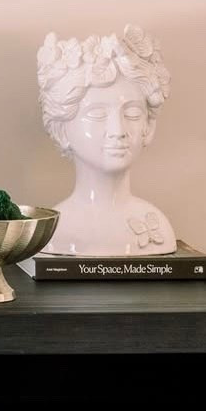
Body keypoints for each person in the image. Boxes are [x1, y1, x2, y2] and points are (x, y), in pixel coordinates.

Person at [36, 25, 175, 256]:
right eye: (97, 114)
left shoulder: (156, 226)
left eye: (131, 114)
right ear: (62, 130)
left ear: (148, 127)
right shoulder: (59, 230)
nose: (117, 130)